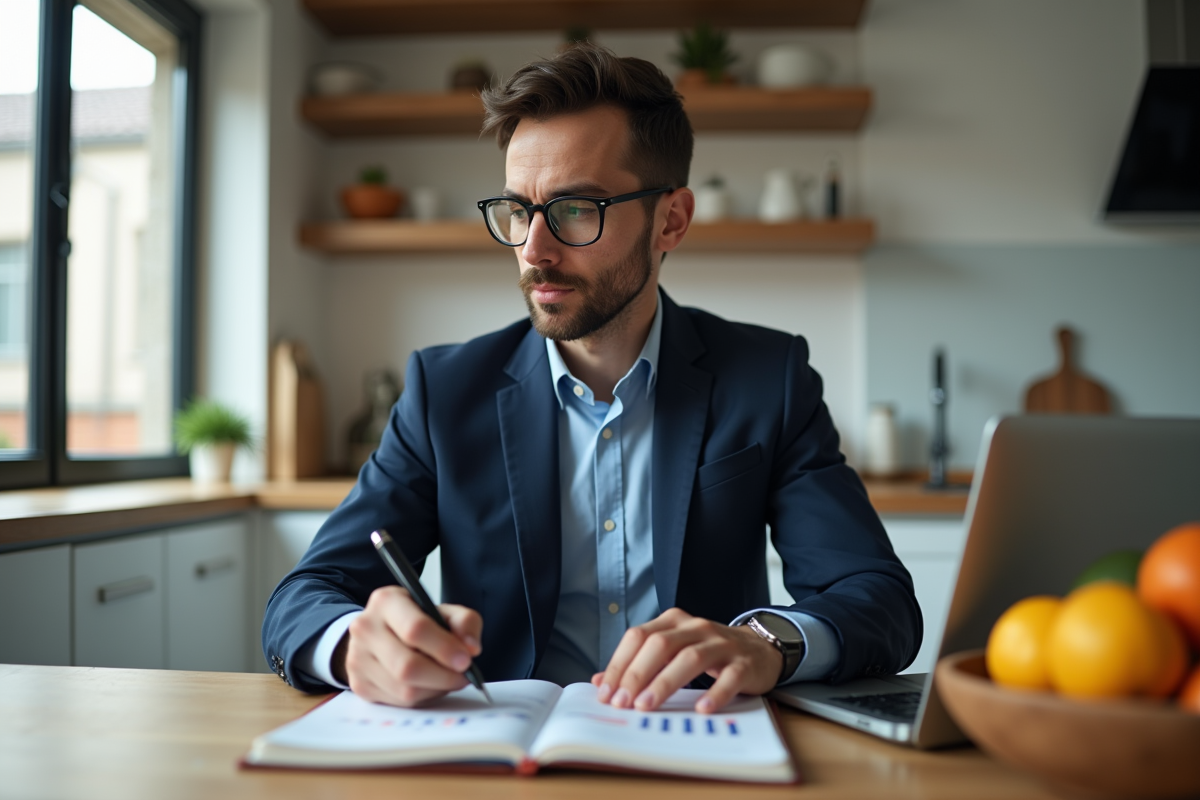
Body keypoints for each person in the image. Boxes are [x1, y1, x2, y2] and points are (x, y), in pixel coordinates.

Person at [262, 43, 921, 714]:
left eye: (577, 209)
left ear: (672, 220)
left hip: (698, 740)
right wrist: (353, 645)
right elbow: (305, 595)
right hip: (497, 751)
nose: (534, 250)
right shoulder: (444, 391)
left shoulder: (767, 380)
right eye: (519, 211)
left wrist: (769, 641)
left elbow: (879, 599)